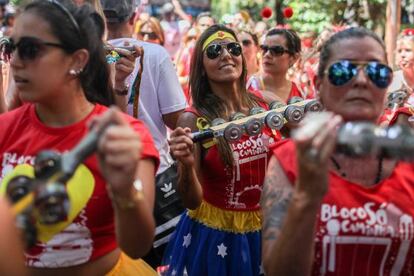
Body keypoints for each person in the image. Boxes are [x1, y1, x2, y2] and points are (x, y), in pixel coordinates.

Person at [0, 1, 159, 275]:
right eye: (9, 48)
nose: (14, 61)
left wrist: (124, 192)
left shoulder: (124, 136)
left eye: (29, 49)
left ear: (77, 60)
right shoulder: (6, 128)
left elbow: (138, 245)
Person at [259, 27, 414, 275]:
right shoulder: (290, 159)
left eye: (376, 72)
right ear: (318, 85)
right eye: (344, 71)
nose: (362, 81)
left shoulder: (408, 159)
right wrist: (307, 197)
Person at [164, 24, 281, 275]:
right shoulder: (192, 120)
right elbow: (191, 200)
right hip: (216, 236)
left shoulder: (266, 103)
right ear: (201, 69)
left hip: (268, 227)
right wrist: (185, 163)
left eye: (233, 48)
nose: (226, 55)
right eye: (215, 51)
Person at [101, 0, 187, 269]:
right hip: (155, 174)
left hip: (102, 172)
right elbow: (176, 118)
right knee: (155, 260)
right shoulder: (154, 53)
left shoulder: (88, 55)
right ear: (135, 15)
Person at [248, 28, 309, 103]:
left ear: (293, 58)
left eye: (276, 50)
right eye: (264, 49)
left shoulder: (299, 93)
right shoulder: (247, 87)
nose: (267, 54)